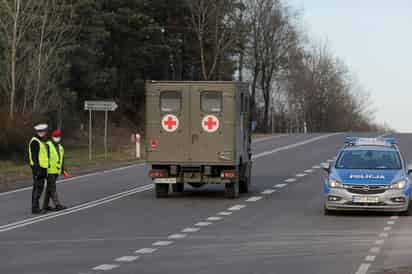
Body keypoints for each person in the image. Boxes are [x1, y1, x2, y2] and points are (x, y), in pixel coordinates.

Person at [43, 130, 67, 211]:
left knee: (49, 189)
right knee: (52, 188)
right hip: (49, 171)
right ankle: (57, 204)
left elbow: (62, 159)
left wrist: (63, 170)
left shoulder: (60, 147)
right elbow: (44, 158)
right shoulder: (48, 145)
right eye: (55, 137)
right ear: (52, 137)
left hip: (56, 171)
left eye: (58, 137)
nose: (57, 138)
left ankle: (45, 206)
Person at [29, 124, 49, 214]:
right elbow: (34, 157)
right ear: (37, 132)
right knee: (37, 188)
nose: (42, 133)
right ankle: (35, 208)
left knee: (39, 188)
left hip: (43, 168)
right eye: (40, 131)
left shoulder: (40, 141)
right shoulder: (35, 141)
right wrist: (37, 170)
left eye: (43, 131)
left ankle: (36, 207)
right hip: (38, 169)